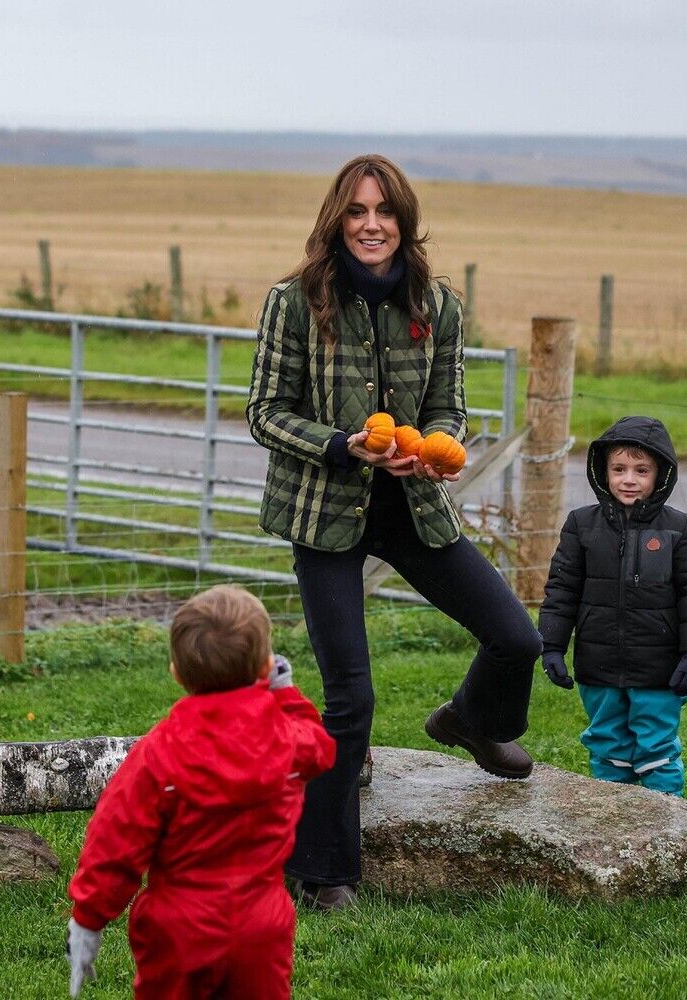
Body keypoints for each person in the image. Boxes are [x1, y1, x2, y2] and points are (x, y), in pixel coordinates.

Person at [246, 154, 542, 910]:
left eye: (384, 211)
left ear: (404, 222)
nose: (371, 224)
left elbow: (450, 407)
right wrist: (344, 443)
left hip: (411, 507)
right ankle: (325, 871)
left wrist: (438, 448)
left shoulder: (436, 306)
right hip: (325, 512)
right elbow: (266, 413)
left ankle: (471, 720)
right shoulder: (293, 302)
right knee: (351, 697)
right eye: (356, 211)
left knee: (517, 638)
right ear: (336, 221)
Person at [66, 584, 335, 999]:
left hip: (177, 927)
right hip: (260, 924)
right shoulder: (289, 740)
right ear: (266, 668)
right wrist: (285, 693)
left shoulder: (158, 753)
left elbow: (115, 840)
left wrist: (88, 917)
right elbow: (321, 751)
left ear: (177, 672)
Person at [538, 416, 687, 796]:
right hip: (597, 665)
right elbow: (561, 589)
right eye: (618, 469)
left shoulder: (684, 529)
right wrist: (551, 645)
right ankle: (612, 823)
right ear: (603, 472)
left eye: (641, 470)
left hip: (659, 670)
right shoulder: (580, 524)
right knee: (608, 748)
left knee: (656, 751)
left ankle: (670, 827)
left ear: (661, 474)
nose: (628, 479)